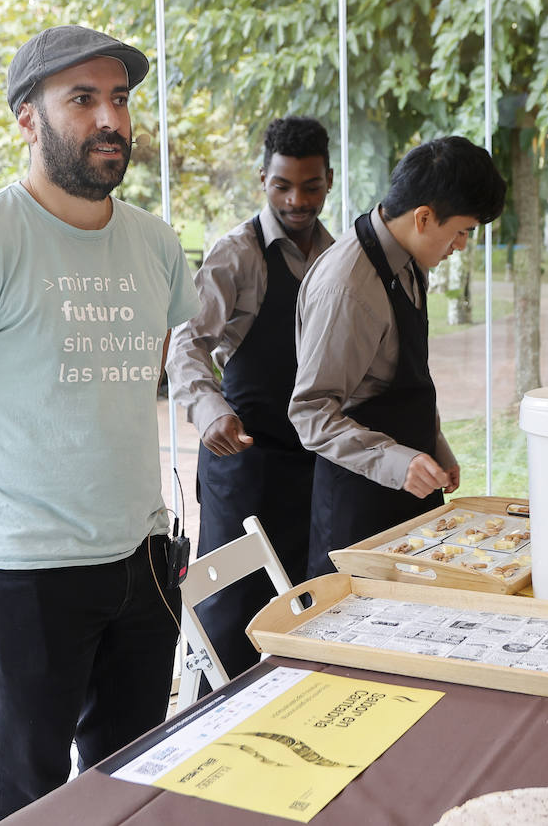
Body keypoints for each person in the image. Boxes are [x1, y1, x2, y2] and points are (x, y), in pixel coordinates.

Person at [0, 25, 199, 825]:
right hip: (23, 573)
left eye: (120, 99)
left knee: (130, 781)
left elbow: (129, 388)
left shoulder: (157, 247)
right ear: (28, 119)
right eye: (82, 99)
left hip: (141, 559)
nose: (110, 120)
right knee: (29, 796)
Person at [290, 136, 506, 577]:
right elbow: (311, 413)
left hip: (406, 491)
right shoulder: (348, 287)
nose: (461, 245)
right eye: (462, 231)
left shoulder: (407, 261)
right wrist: (399, 462)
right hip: (360, 510)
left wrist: (435, 446)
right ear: (424, 218)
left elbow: (401, 377)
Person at [166, 116, 334, 679]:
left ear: (328, 182)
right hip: (244, 466)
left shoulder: (335, 256)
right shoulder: (237, 254)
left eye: (310, 186)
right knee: (231, 618)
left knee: (302, 608)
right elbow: (186, 340)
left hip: (311, 466)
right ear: (263, 178)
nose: (296, 200)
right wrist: (209, 407)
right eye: (282, 185)